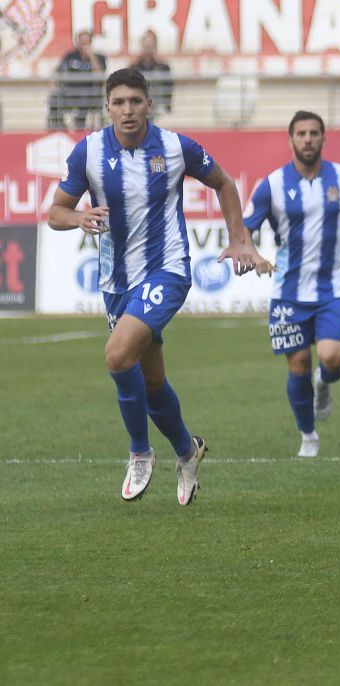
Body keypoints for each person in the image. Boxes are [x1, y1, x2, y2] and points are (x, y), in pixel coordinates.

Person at [46, 68, 272, 505]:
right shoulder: (88, 152)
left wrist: (239, 236)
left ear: (149, 104)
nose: (127, 110)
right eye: (119, 103)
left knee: (116, 355)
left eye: (135, 101)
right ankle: (188, 451)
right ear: (107, 107)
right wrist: (77, 217)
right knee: (151, 382)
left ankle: (139, 452)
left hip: (168, 270)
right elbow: (56, 211)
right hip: (116, 281)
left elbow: (223, 182)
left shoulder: (174, 147)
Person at [243, 111, 340, 458]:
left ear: (323, 138)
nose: (307, 139)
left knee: (332, 359)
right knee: (297, 365)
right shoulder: (271, 184)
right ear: (291, 140)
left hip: (334, 288)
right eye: (300, 134)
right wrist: (254, 255)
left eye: (314, 133)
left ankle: (325, 383)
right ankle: (308, 435)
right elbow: (246, 227)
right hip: (288, 291)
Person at [48, 30, 107, 130]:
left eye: (86, 42)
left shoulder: (99, 57)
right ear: (77, 43)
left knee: (84, 96)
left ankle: (79, 126)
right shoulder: (70, 56)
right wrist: (53, 84)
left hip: (90, 94)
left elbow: (100, 74)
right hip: (70, 92)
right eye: (82, 42)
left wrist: (91, 56)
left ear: (91, 42)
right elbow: (58, 71)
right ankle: (60, 125)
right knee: (54, 97)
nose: (84, 45)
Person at [130, 30, 174, 116]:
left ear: (155, 46)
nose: (148, 47)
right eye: (146, 44)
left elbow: (168, 91)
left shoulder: (164, 67)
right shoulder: (134, 67)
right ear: (142, 46)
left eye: (151, 44)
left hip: (158, 107)